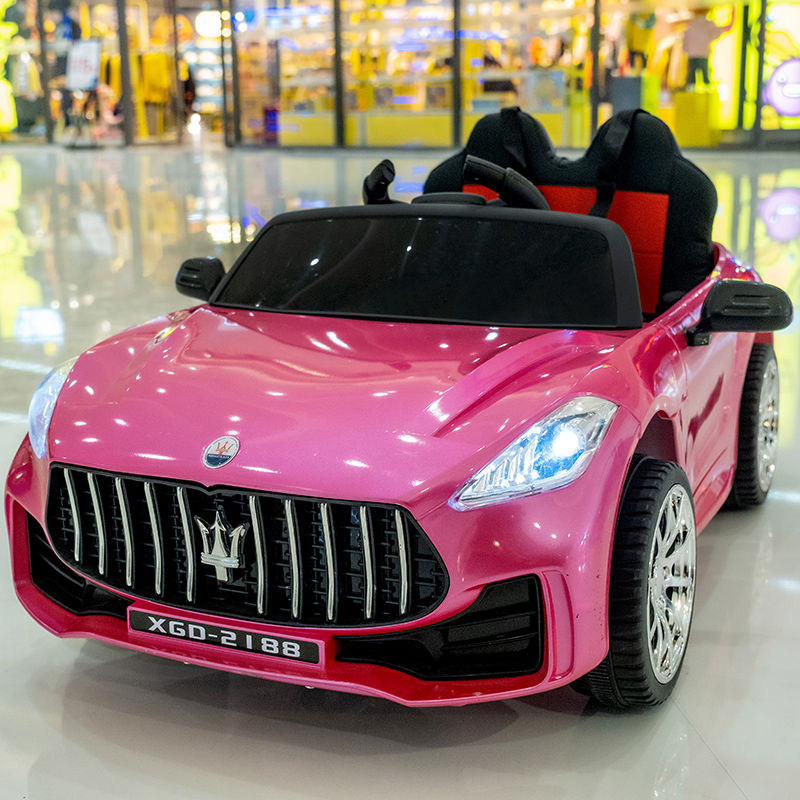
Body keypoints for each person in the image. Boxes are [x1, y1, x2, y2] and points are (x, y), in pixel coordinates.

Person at [683, 7, 734, 88]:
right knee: (705, 74)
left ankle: (692, 89)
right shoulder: (708, 24)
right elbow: (719, 31)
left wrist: (685, 49)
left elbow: (686, 39)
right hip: (703, 54)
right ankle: (706, 90)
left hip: (693, 54)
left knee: (692, 75)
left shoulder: (690, 24)